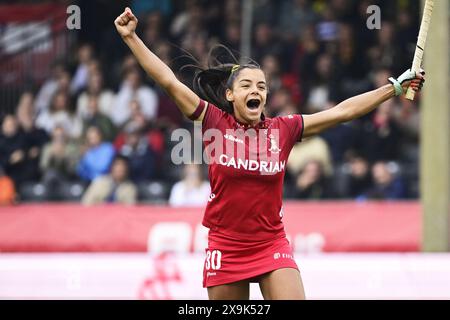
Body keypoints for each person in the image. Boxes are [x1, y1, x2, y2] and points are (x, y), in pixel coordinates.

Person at [115, 7, 425, 300]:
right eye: (247, 85)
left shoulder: (284, 129)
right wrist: (131, 38)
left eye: (262, 87)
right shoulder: (213, 121)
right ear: (230, 94)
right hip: (226, 245)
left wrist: (394, 88)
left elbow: (342, 112)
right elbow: (169, 81)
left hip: (270, 244)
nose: (256, 91)